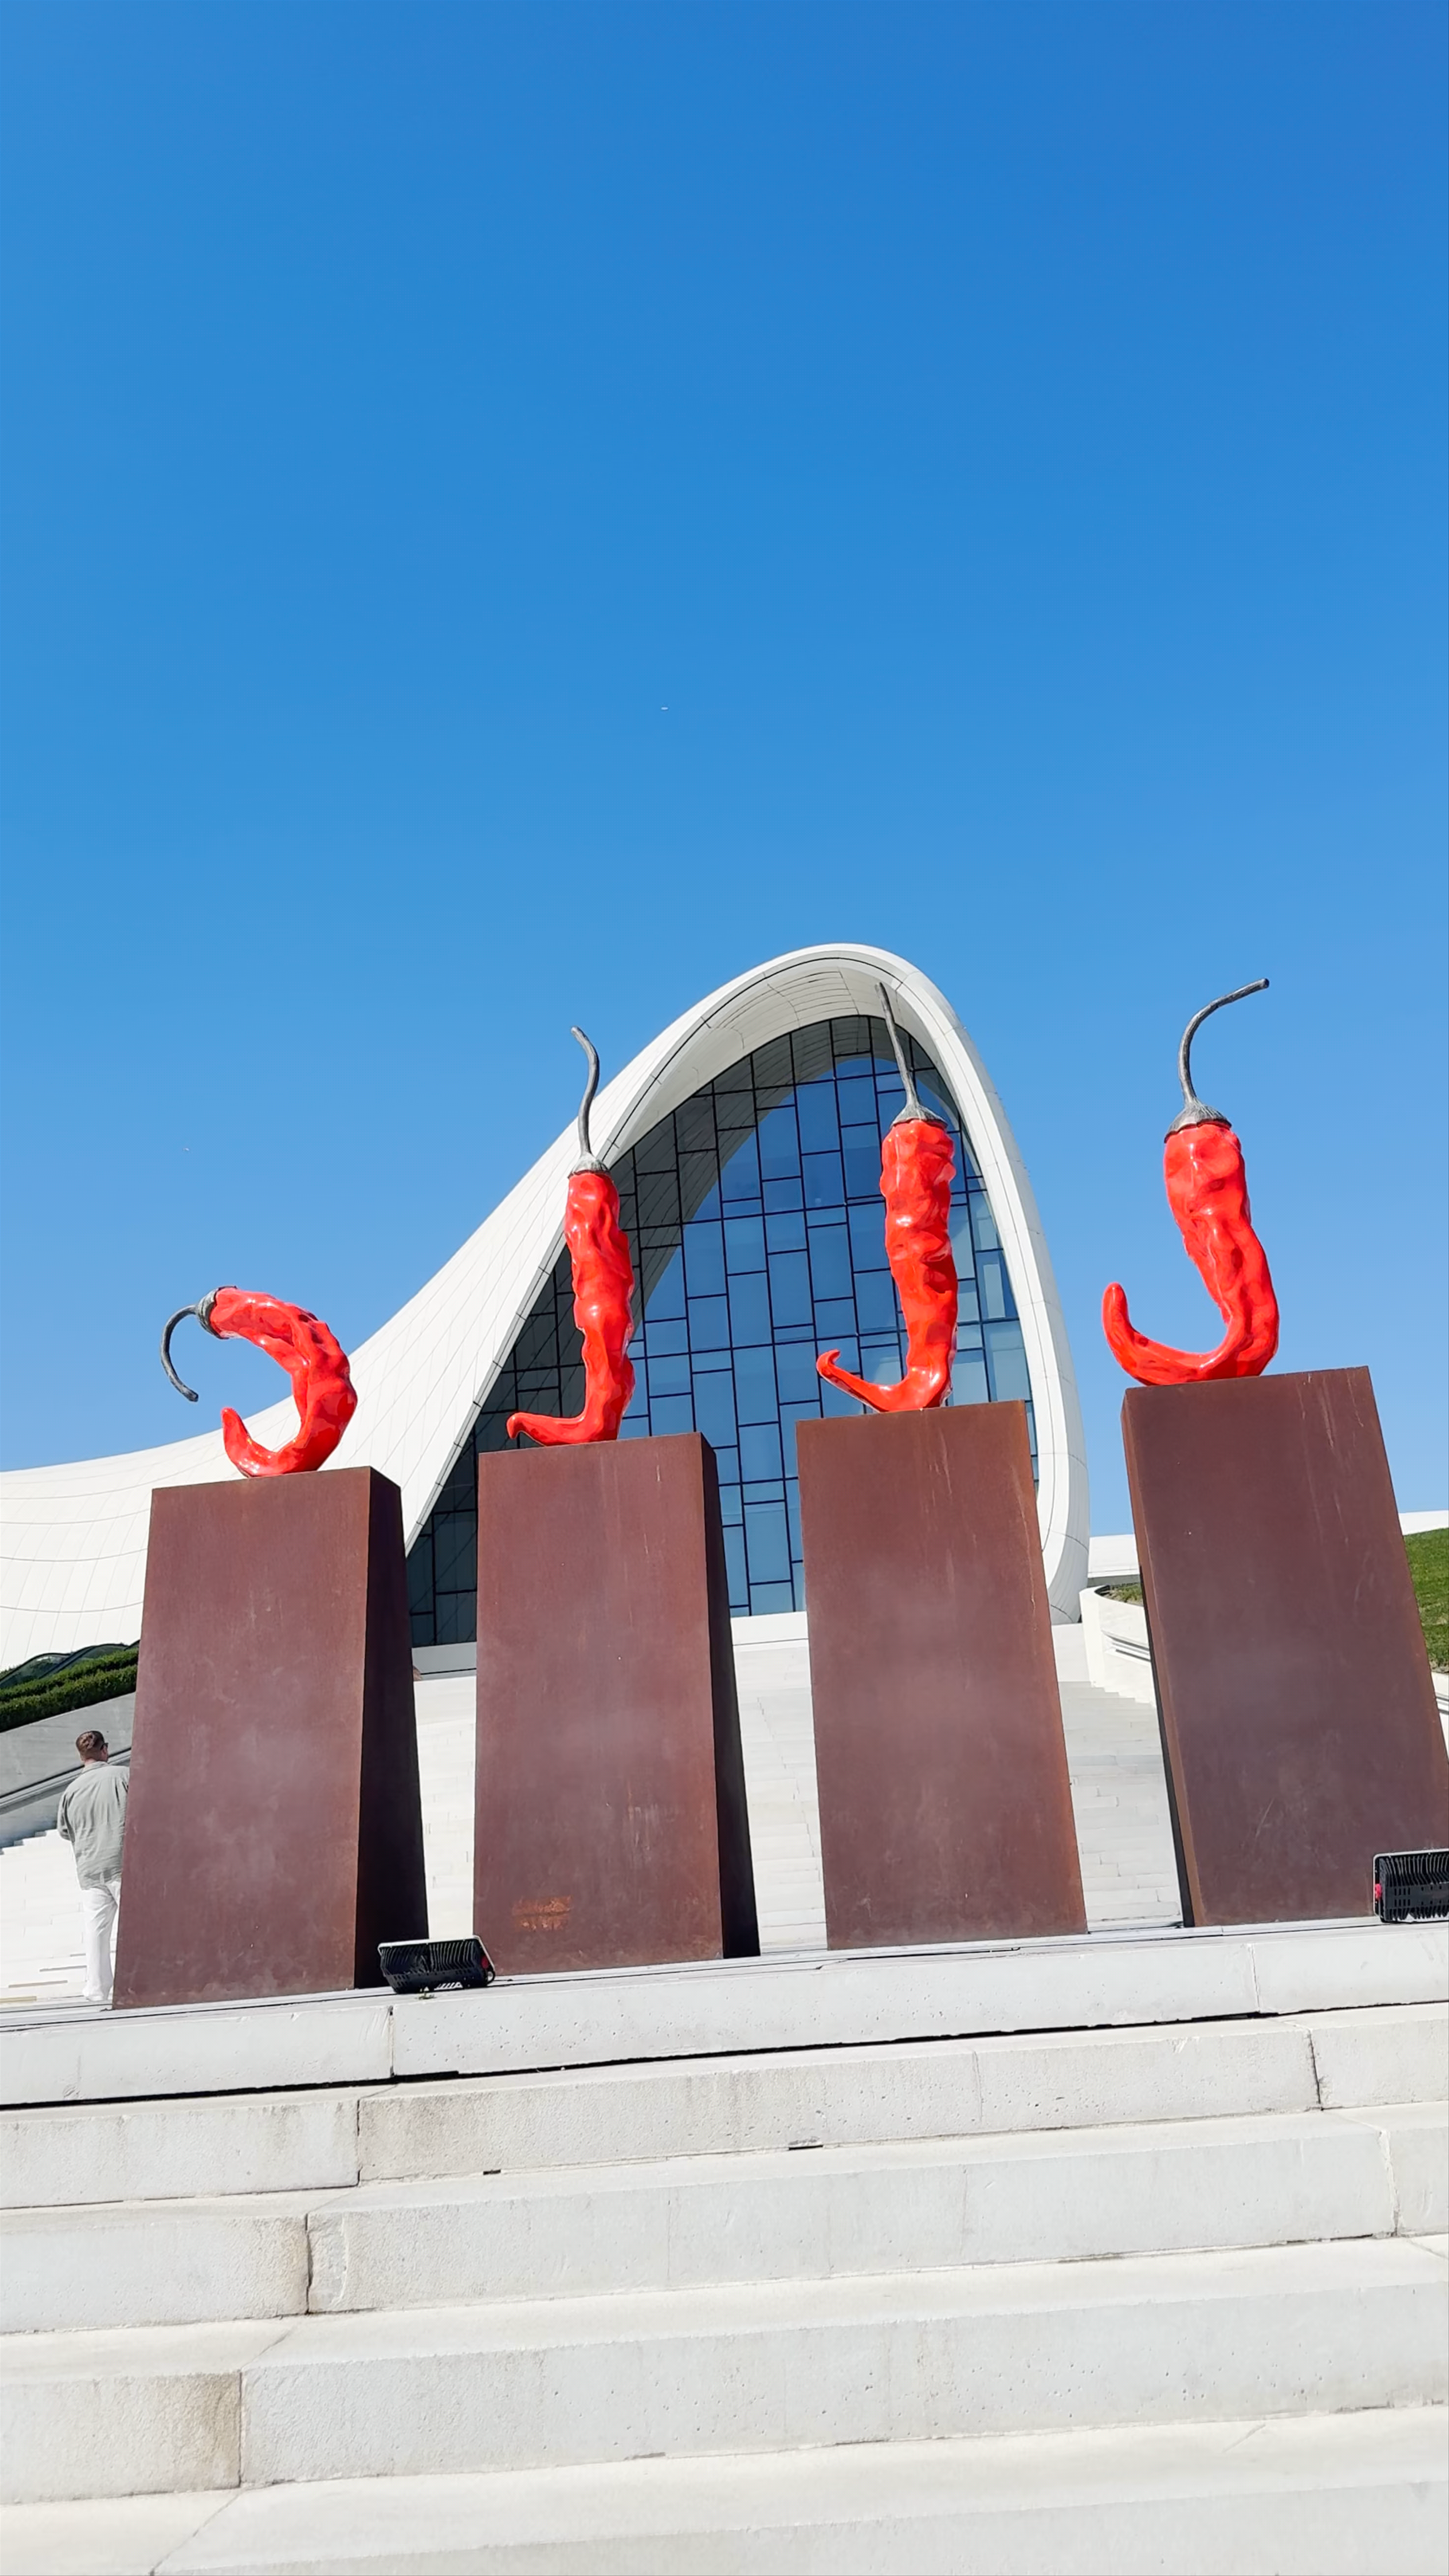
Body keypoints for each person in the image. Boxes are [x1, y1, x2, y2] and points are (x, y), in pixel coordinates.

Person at [56, 1730, 128, 2007]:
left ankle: (96, 1988)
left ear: (81, 1756)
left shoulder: (70, 1791)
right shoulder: (123, 1776)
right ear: (105, 1750)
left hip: (89, 1868)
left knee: (96, 1932)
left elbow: (64, 1831)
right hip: (121, 1861)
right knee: (132, 1925)